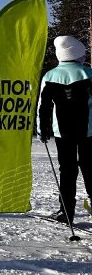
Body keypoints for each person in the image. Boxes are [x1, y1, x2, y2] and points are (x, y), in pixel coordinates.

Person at [37, 35, 92, 223]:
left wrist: (41, 129)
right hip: (89, 132)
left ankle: (66, 211)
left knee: (67, 171)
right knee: (90, 168)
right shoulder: (89, 74)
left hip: (62, 133)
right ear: (77, 55)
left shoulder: (50, 76)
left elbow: (42, 107)